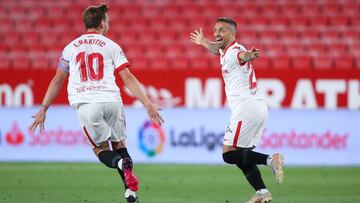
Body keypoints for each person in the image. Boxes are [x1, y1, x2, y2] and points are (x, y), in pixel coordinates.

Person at [29, 4, 164, 203]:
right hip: (112, 100)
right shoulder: (111, 45)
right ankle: (130, 193)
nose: (108, 24)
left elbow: (58, 79)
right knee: (120, 144)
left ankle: (119, 164)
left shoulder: (70, 48)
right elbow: (127, 77)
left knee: (100, 150)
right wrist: (147, 103)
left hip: (87, 105)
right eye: (107, 21)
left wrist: (43, 108)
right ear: (102, 23)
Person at [190, 17, 284, 203]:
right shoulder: (225, 51)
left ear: (232, 34)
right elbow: (216, 49)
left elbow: (243, 56)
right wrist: (203, 42)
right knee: (242, 156)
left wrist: (251, 55)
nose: (216, 33)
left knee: (228, 154)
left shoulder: (236, 51)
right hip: (256, 107)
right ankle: (262, 192)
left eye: (222, 30)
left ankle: (271, 160)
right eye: (215, 30)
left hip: (246, 108)